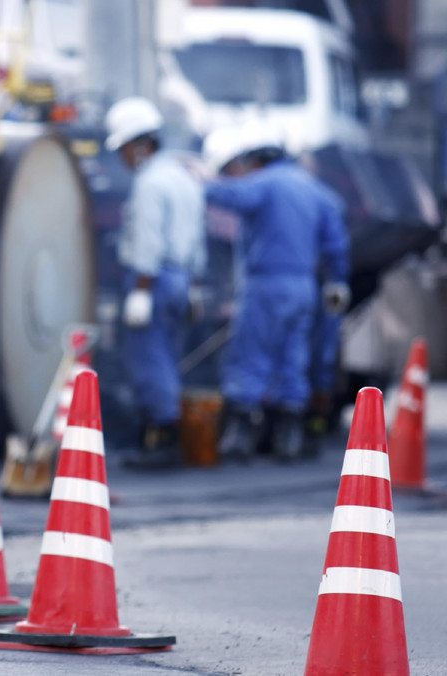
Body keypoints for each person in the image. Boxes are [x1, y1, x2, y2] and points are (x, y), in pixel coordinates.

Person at [203, 125, 349, 462]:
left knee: (251, 355)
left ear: (257, 159)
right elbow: (337, 240)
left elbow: (229, 196)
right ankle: (290, 436)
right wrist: (338, 280)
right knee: (293, 358)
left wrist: (198, 183)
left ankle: (240, 437)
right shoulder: (315, 190)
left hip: (266, 284)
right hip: (304, 287)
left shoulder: (265, 183)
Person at [103, 97, 208, 466]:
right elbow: (197, 239)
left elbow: (148, 240)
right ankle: (161, 435)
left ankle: (162, 439)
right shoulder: (184, 178)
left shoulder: (149, 183)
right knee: (167, 356)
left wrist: (141, 291)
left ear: (140, 145)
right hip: (181, 278)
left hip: (154, 279)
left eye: (123, 149)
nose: (122, 158)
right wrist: (194, 286)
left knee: (149, 359)